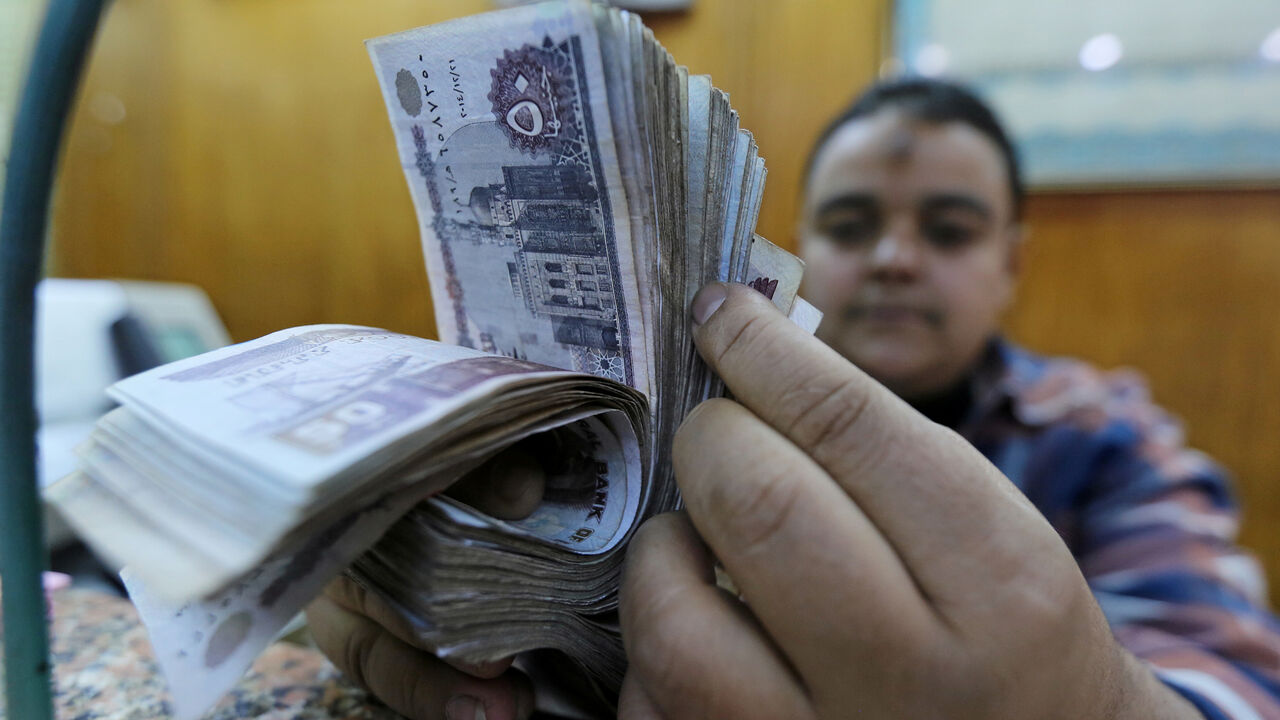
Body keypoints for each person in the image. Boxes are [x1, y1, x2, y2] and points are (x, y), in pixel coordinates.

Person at [309, 78, 1280, 719]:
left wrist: (1098, 703)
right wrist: (466, 600)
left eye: (947, 229)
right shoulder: (660, 414)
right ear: (800, 246)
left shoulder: (1103, 438)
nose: (896, 259)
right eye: (853, 223)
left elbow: (1232, 675)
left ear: (1008, 264)